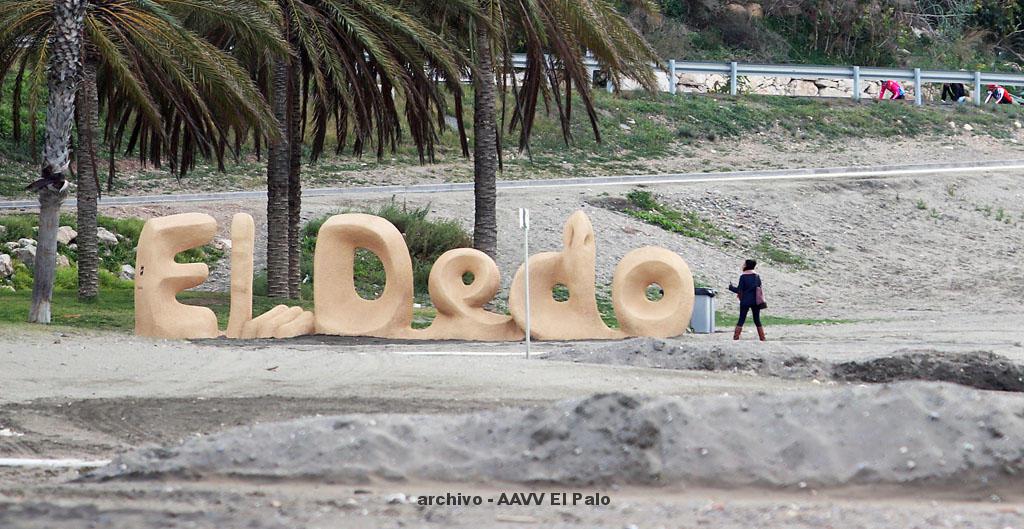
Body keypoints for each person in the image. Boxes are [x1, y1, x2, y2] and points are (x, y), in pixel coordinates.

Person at [728, 259, 766, 341]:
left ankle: (736, 337)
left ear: (746, 265)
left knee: (741, 319)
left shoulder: (743, 277)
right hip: (755, 301)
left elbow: (739, 290)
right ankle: (762, 337)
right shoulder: (757, 276)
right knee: (757, 319)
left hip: (745, 301)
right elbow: (759, 288)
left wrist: (731, 288)